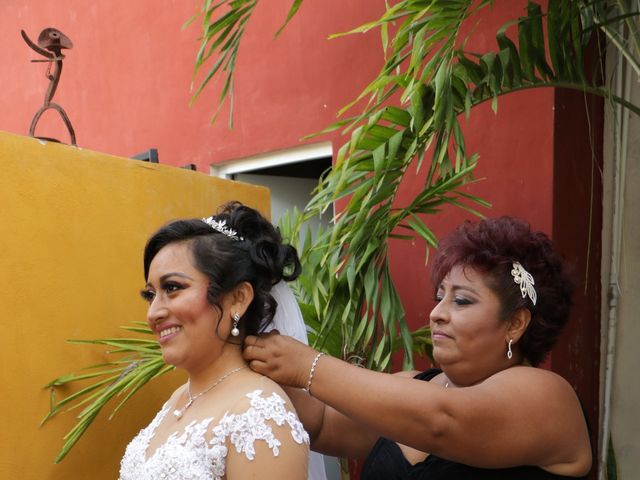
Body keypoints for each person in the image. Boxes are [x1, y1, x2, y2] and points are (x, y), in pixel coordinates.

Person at [243, 216, 593, 479]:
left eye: (462, 301)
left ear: (516, 323)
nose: (437, 314)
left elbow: (442, 420)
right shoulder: (414, 386)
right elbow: (318, 423)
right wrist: (243, 341)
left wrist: (308, 365)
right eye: (440, 298)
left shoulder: (549, 397)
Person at [119, 202, 309, 480]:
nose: (153, 313)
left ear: (237, 298)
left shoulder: (259, 415)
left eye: (172, 288)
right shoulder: (179, 399)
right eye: (150, 295)